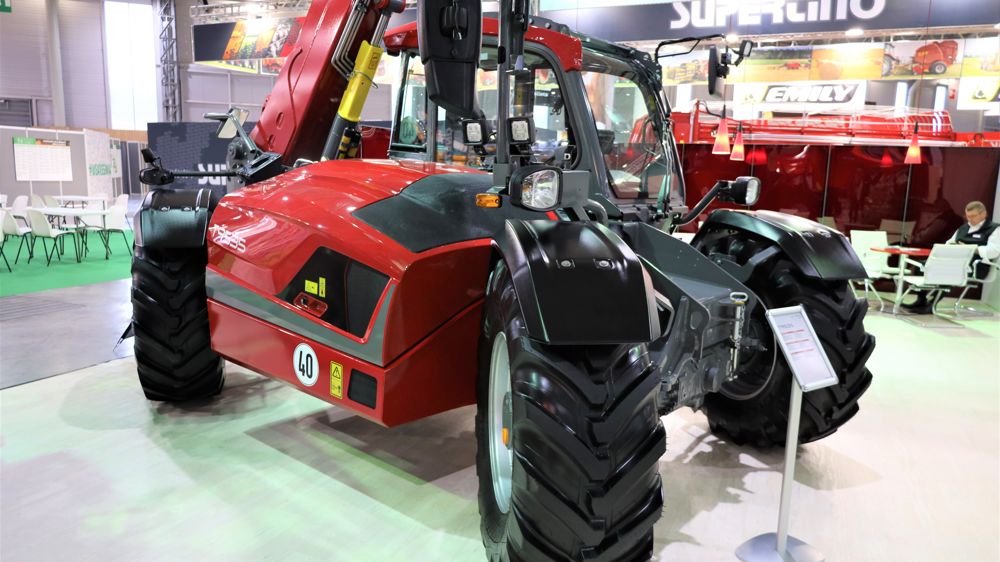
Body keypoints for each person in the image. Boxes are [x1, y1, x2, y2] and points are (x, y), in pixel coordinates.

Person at [903, 201, 1000, 313]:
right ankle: (921, 300)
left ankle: (932, 304)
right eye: (968, 216)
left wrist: (971, 249)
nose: (970, 220)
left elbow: (994, 251)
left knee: (950, 271)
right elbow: (949, 243)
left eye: (973, 216)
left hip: (976, 266)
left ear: (983, 214)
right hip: (954, 261)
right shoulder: (963, 228)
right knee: (922, 266)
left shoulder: (994, 229)